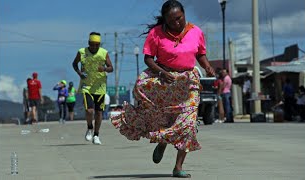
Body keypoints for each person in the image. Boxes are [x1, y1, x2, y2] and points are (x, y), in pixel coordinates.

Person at [110, 0, 215, 178]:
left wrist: (207, 66)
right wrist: (160, 73)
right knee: (161, 114)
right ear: (165, 20)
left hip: (187, 82)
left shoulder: (195, 31)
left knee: (189, 124)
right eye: (172, 20)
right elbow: (148, 58)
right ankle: (163, 141)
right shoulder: (156, 33)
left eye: (179, 18)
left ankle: (178, 167)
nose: (177, 23)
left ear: (184, 15)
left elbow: (200, 53)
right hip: (164, 79)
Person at [72, 32, 114, 145]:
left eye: (97, 44)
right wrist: (79, 73)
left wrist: (104, 69)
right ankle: (89, 127)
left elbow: (111, 68)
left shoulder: (103, 53)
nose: (94, 47)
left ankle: (96, 135)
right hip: (87, 85)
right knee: (89, 110)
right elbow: (74, 64)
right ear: (88, 43)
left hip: (100, 86)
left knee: (99, 112)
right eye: (92, 44)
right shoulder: (82, 52)